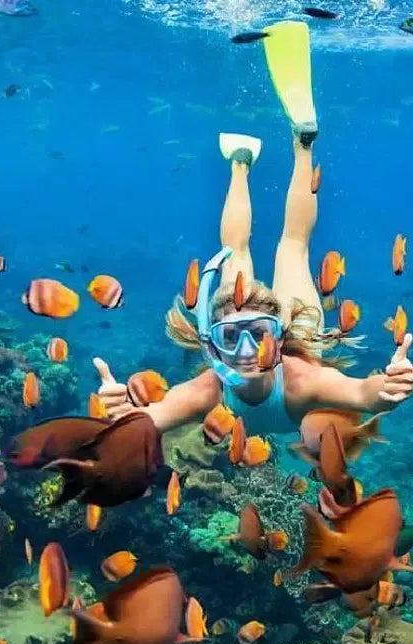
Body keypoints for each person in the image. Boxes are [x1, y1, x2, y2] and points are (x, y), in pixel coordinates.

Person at [94, 21, 413, 435]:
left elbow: (362, 393)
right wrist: (124, 416)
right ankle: (293, 146)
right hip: (304, 334)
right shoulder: (207, 389)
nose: (247, 351)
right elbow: (148, 421)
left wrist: (386, 390)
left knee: (253, 250)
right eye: (231, 338)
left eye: (259, 334)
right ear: (213, 344)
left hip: (296, 344)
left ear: (278, 337)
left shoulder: (301, 379)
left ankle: (249, 159)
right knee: (292, 247)